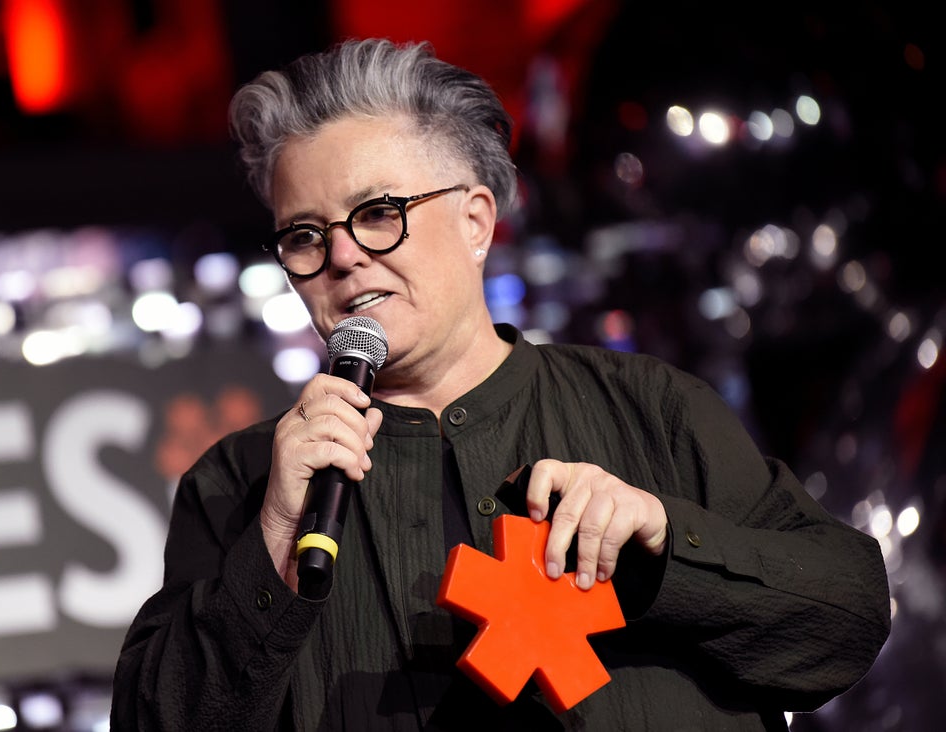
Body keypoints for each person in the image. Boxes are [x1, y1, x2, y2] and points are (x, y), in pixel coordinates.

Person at [110, 38, 890, 730]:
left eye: (378, 213)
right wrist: (277, 535)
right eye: (305, 235)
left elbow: (847, 621)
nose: (342, 256)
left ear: (477, 221)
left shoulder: (653, 409)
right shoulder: (242, 483)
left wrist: (663, 540)